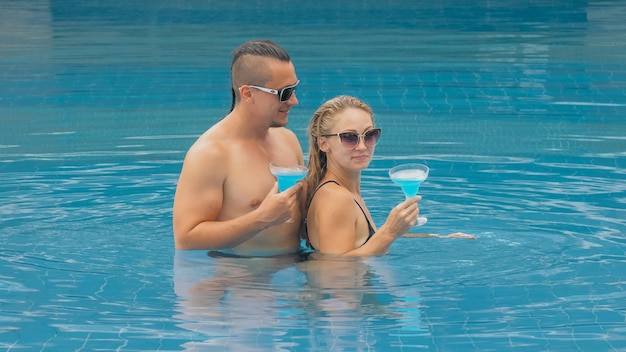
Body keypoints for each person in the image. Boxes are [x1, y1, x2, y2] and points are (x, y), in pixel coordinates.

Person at [173, 39, 304, 255]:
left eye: (294, 89)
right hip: (242, 278)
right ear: (248, 94)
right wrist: (262, 218)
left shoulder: (288, 140)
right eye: (284, 93)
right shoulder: (211, 154)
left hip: (296, 270)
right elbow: (186, 239)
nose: (294, 101)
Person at [304, 95, 475, 256]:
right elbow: (333, 270)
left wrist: (441, 238)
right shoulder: (336, 198)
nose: (362, 146)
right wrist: (390, 231)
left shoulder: (343, 191)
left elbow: (361, 245)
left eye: (369, 135)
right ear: (324, 143)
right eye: (350, 137)